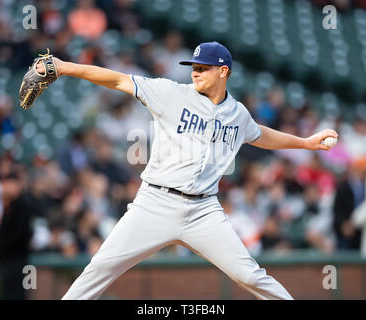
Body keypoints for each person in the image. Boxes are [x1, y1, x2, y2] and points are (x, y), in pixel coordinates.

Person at [37, 41, 338, 300]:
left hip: (203, 210)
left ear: (224, 72)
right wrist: (64, 67)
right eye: (193, 66)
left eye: (203, 67)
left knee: (249, 275)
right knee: (100, 268)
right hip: (155, 202)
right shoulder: (170, 92)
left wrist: (306, 143)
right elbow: (118, 80)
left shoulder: (238, 114)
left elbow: (260, 134)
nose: (195, 71)